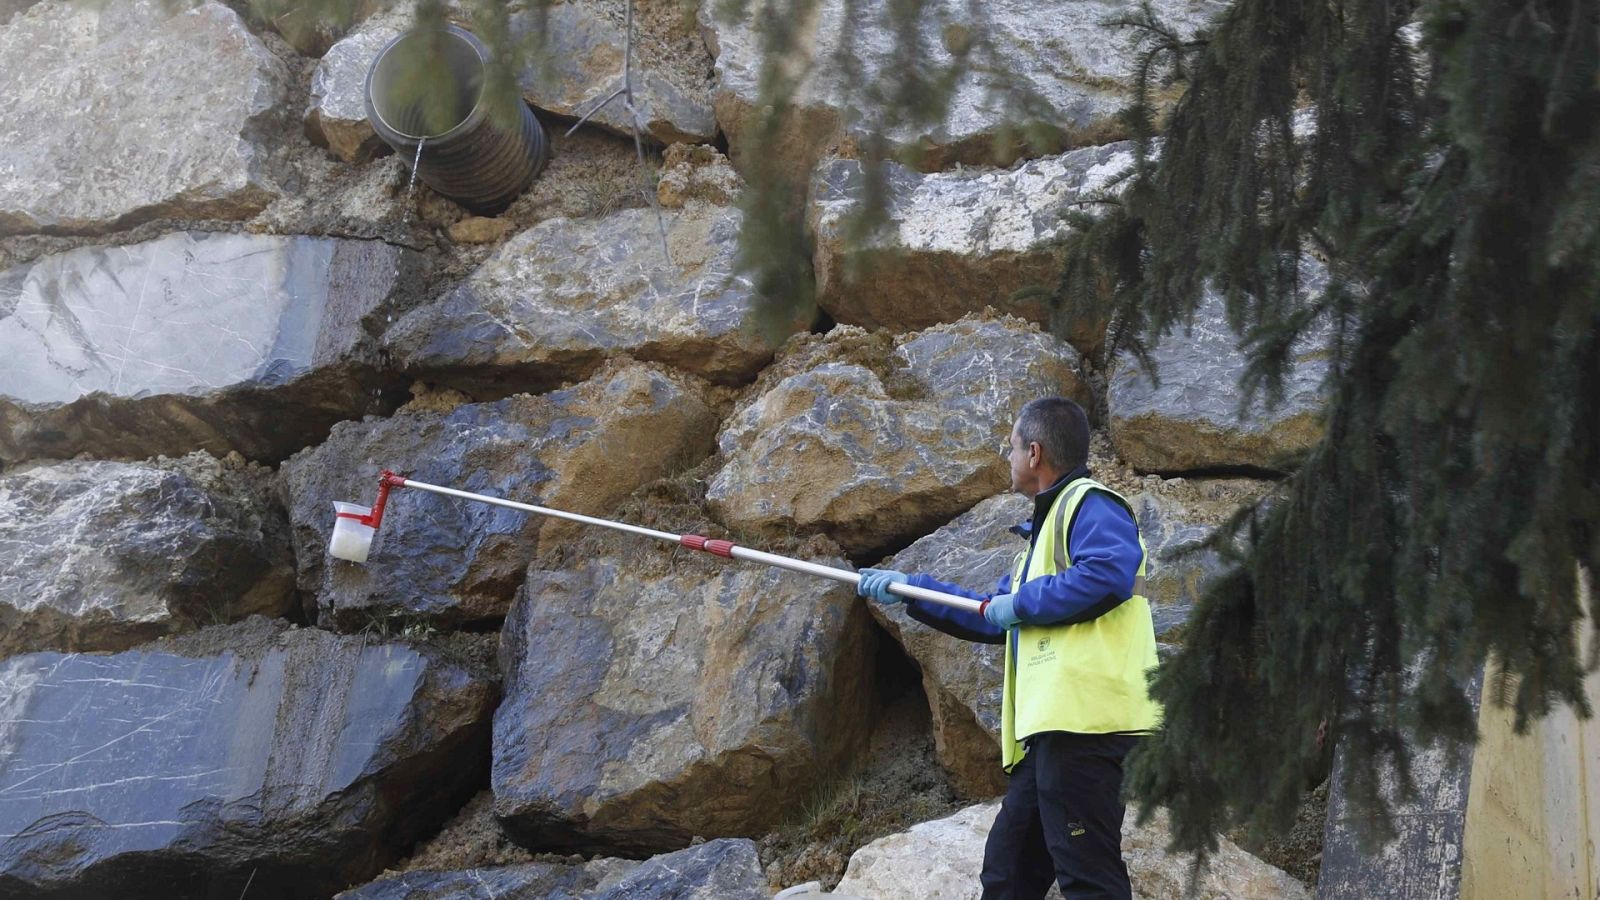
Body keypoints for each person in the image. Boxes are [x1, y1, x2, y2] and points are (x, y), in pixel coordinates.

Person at [856, 396, 1161, 900]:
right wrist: (910, 590)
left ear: (1034, 453)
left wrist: (1018, 604)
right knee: (1008, 873)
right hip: (1055, 734)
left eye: (1012, 447)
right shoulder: (1041, 540)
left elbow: (1107, 576)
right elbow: (990, 612)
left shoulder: (1091, 504)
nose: (1008, 456)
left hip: (1090, 727)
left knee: (1089, 878)